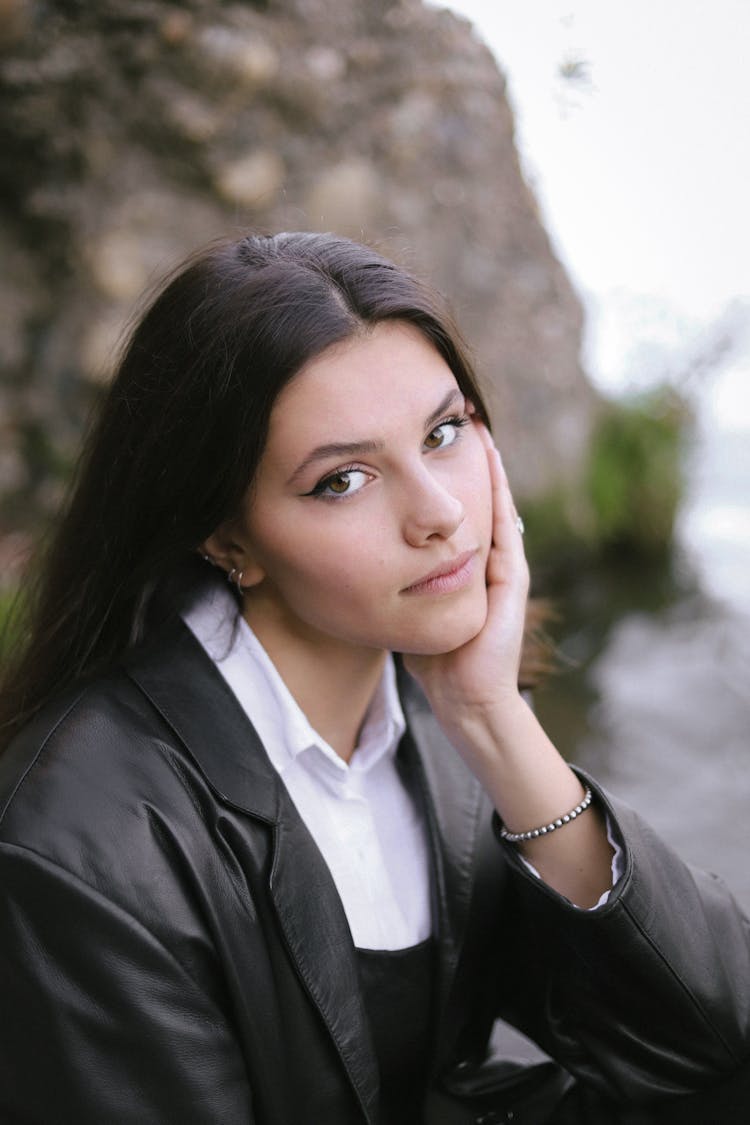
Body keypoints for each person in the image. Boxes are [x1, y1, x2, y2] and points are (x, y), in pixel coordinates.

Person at [0, 232, 747, 1125]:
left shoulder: (436, 722)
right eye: (344, 479)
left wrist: (493, 719)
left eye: (444, 432)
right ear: (225, 536)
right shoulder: (81, 844)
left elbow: (713, 1051)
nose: (438, 513)